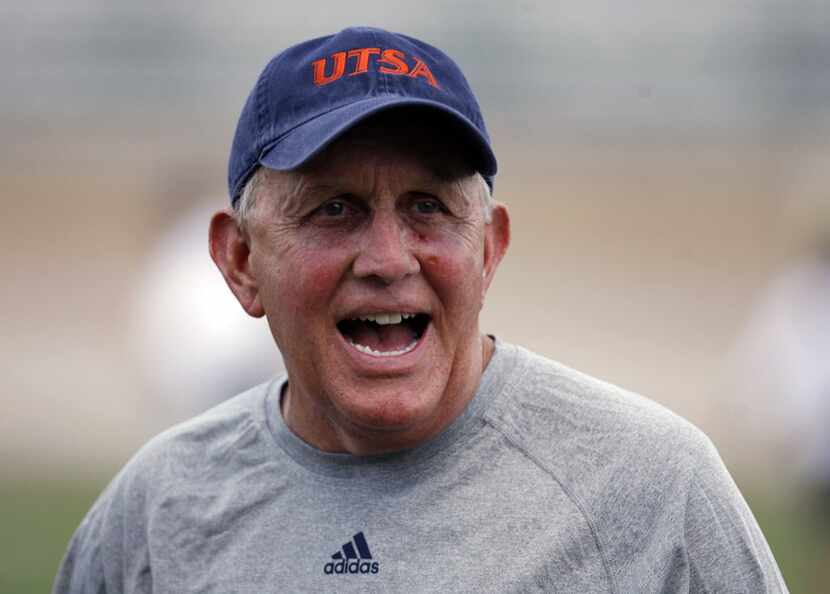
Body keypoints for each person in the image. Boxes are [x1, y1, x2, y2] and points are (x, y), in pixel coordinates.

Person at [54, 26, 788, 593]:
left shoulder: (654, 488)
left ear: (490, 250)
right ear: (241, 262)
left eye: (428, 208)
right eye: (334, 208)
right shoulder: (154, 516)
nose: (388, 259)